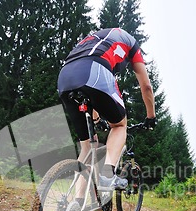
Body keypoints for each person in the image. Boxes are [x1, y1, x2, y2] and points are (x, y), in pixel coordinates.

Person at [57, 27, 156, 190]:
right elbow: (146, 87)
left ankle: (76, 205)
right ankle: (108, 175)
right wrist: (151, 117)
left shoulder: (92, 38)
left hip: (65, 77)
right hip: (95, 70)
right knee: (119, 125)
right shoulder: (131, 43)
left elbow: (93, 95)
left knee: (87, 146)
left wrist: (96, 118)